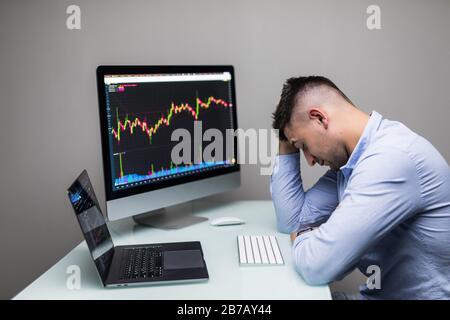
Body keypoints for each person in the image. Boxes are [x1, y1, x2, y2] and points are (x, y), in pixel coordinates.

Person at [270, 76, 450, 299]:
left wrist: (302, 237)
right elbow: (292, 221)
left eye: (303, 146)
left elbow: (317, 266)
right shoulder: (351, 163)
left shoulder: (390, 159)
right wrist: (286, 136)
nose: (309, 160)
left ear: (319, 118)